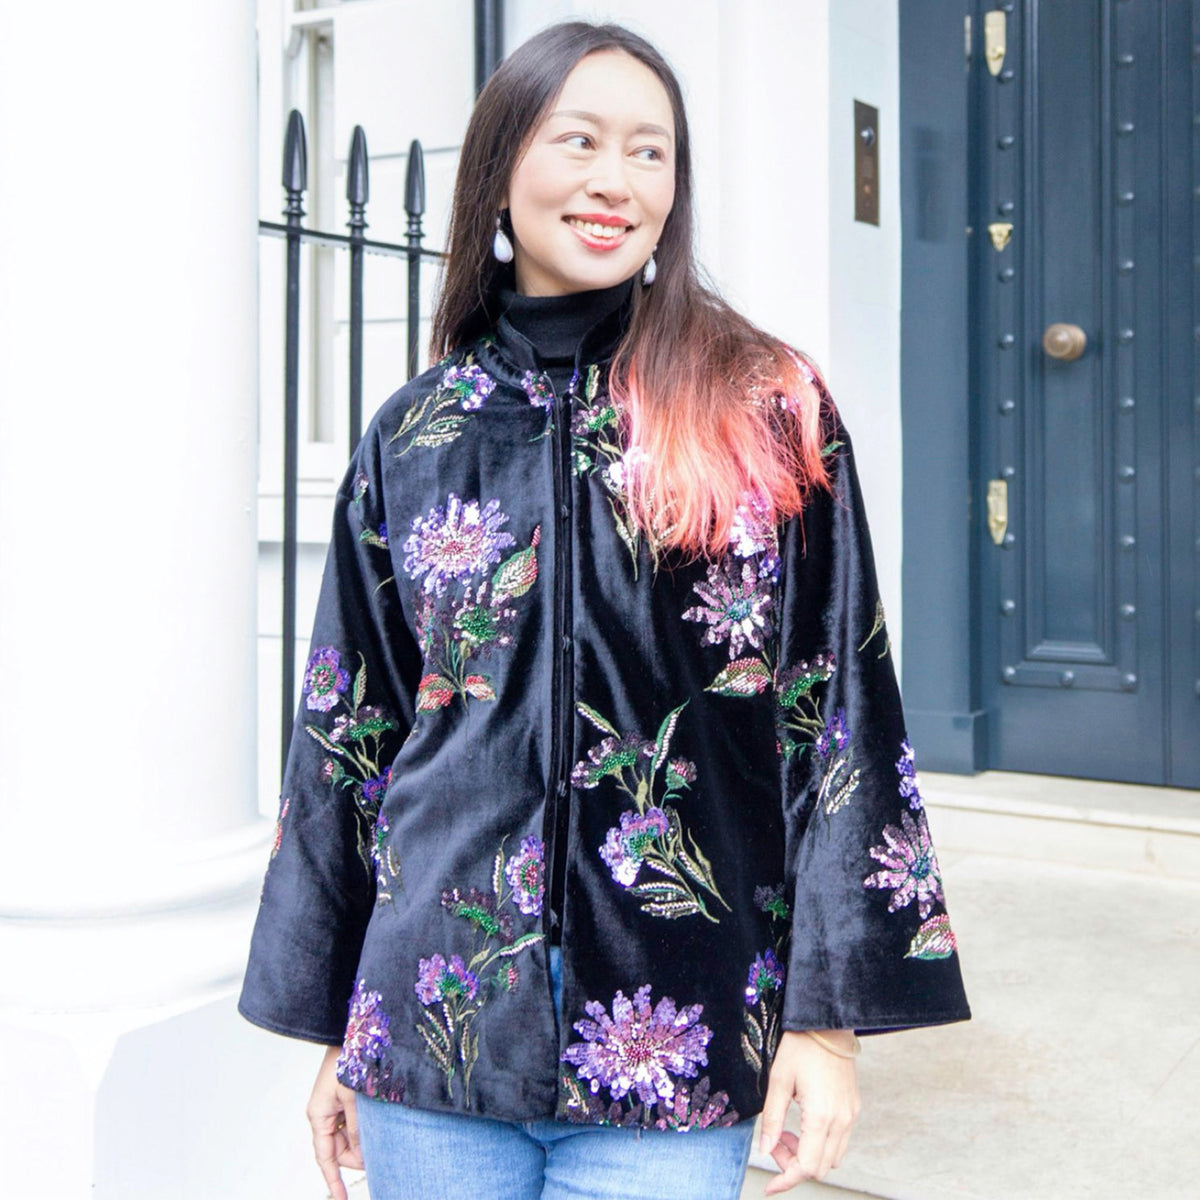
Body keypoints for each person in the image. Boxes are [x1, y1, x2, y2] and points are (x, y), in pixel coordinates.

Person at [238, 19, 971, 1200]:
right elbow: (348, 734)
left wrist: (826, 1024)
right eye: (578, 140)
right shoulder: (416, 432)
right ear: (500, 169)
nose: (615, 180)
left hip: (676, 1037)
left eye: (649, 150)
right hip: (432, 1033)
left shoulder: (762, 405)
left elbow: (838, 710)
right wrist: (339, 1028)